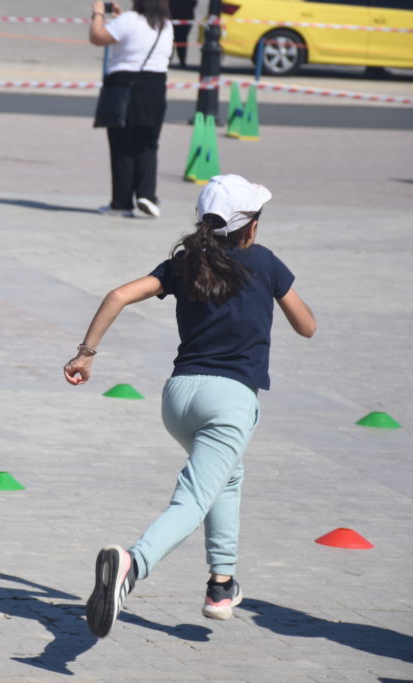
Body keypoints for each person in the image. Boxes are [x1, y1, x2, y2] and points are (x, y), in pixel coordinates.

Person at [63, 174, 316, 637]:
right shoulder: (265, 263)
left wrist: (86, 354)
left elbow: (119, 294)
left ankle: (221, 584)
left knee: (227, 477)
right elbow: (307, 326)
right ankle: (132, 566)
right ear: (252, 228)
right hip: (230, 401)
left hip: (179, 399)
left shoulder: (182, 265)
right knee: (194, 498)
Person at [89, 0, 174, 218]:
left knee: (122, 145)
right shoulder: (165, 24)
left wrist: (98, 14)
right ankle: (147, 194)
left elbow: (97, 37)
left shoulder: (128, 21)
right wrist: (121, 18)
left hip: (125, 85)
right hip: (155, 87)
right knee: (148, 143)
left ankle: (122, 203)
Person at [169, 0, 197, 68]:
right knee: (173, 39)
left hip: (183, 17)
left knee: (180, 39)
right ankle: (178, 60)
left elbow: (193, 3)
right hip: (175, 16)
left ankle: (181, 60)